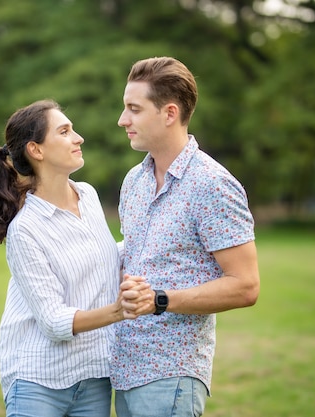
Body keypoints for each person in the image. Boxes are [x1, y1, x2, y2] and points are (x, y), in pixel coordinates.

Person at [0, 99, 150, 417]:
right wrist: (117, 311)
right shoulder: (26, 229)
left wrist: (154, 238)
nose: (78, 138)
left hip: (95, 376)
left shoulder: (88, 195)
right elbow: (54, 321)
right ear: (36, 150)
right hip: (38, 381)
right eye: (65, 131)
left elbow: (104, 259)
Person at [112, 57, 261, 417]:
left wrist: (160, 300)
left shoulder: (212, 184)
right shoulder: (135, 180)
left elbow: (246, 285)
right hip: (121, 369)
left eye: (134, 109)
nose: (122, 120)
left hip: (171, 375)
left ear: (169, 113)